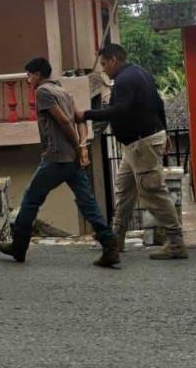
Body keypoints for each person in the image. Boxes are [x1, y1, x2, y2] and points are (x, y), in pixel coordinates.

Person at [0, 57, 121, 267]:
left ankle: (19, 246)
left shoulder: (43, 92)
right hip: (71, 160)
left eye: (29, 75)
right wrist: (81, 146)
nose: (28, 80)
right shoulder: (63, 92)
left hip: (56, 158)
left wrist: (78, 146)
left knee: (31, 199)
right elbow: (79, 121)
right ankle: (110, 245)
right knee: (87, 202)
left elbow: (63, 121)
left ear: (38, 75)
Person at [75, 44, 187, 261]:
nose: (104, 70)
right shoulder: (140, 72)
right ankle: (116, 239)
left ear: (114, 60)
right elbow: (158, 104)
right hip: (136, 144)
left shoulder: (125, 80)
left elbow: (120, 110)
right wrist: (165, 132)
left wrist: (86, 114)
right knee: (124, 189)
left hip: (141, 144)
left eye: (105, 64)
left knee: (152, 191)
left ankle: (175, 242)